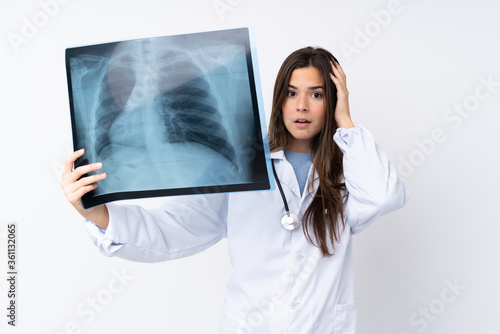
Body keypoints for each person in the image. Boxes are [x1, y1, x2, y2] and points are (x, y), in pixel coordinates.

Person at [61, 46, 410, 333]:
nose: (302, 106)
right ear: (279, 100)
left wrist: (346, 123)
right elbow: (175, 229)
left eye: (316, 94)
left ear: (332, 103)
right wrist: (96, 212)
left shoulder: (349, 174)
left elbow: (384, 196)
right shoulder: (240, 163)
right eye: (291, 93)